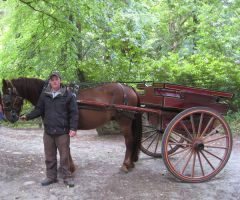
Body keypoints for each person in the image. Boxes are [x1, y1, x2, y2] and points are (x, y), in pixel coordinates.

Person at [20, 72, 79, 187]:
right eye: (52, 80)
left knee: (64, 157)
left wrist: (73, 128)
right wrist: (27, 116)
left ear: (60, 80)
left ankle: (67, 177)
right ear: (50, 82)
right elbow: (39, 110)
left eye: (56, 79)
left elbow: (74, 113)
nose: (54, 81)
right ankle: (51, 177)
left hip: (62, 132)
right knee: (49, 156)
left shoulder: (68, 95)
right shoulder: (45, 95)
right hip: (48, 132)